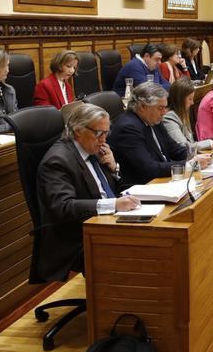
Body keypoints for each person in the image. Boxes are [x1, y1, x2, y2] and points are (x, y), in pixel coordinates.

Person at [36, 104, 140, 281]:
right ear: (78, 130)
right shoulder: (58, 161)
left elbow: (108, 190)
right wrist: (114, 204)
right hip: (77, 235)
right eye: (99, 133)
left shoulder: (93, 150)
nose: (104, 139)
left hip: (105, 222)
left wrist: (114, 168)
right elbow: (63, 207)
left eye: (107, 133)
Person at [108, 82, 210, 187]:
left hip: (162, 179)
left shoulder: (153, 119)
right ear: (143, 106)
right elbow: (149, 168)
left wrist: (197, 156)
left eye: (165, 108)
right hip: (144, 187)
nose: (164, 112)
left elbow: (174, 149)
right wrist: (190, 165)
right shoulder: (128, 128)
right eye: (160, 108)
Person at [163, 77, 213, 153]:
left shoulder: (182, 113)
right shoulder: (169, 118)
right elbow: (184, 146)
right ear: (180, 99)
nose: (192, 103)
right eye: (190, 99)